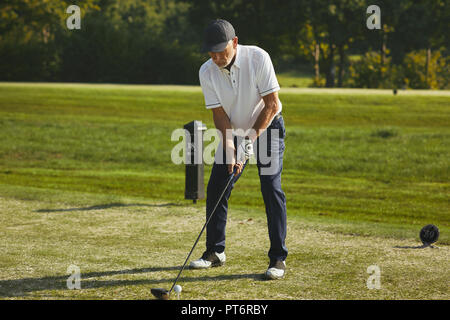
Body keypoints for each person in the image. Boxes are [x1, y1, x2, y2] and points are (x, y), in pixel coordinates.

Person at [190, 19, 287, 280]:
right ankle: (215, 251)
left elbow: (271, 104)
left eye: (222, 51)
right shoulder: (206, 71)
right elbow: (220, 115)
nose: (217, 57)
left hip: (268, 128)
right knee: (217, 186)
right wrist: (232, 147)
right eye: (212, 52)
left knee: (270, 186)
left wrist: (250, 142)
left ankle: (278, 258)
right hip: (235, 130)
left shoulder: (258, 58)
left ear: (235, 43)